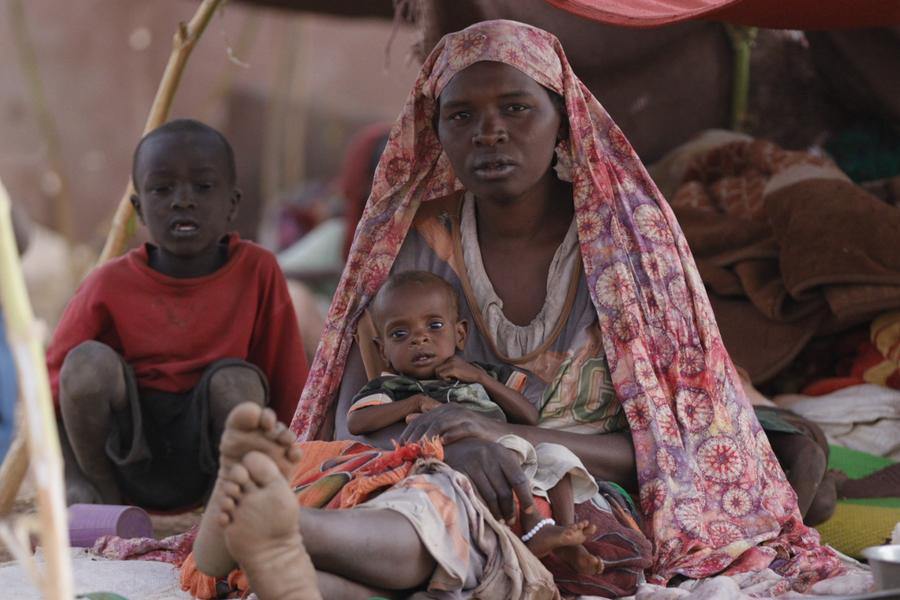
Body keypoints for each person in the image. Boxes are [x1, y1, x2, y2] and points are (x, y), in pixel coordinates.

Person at [188, 20, 851, 599]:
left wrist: (501, 441)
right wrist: (446, 445)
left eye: (516, 108)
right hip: (415, 467)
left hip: (577, 491)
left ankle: (286, 533)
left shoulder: (631, 247)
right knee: (428, 504)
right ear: (436, 132)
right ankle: (289, 553)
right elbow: (353, 421)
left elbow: (675, 452)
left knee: (475, 514)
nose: (490, 133)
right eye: (461, 116)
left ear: (563, 120)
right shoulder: (416, 243)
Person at [46, 119, 308, 510]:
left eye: (203, 187)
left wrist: (296, 467)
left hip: (220, 459)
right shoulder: (108, 283)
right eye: (162, 189)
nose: (182, 201)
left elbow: (288, 381)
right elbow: (52, 388)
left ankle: (227, 505)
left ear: (233, 204)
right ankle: (101, 497)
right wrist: (71, 475)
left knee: (236, 382)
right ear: (139, 209)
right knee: (85, 364)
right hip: (126, 457)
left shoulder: (257, 270)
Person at [347, 270, 602, 574]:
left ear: (460, 334)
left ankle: (568, 535)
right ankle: (535, 524)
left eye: (434, 326)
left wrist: (481, 378)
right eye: (400, 334)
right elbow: (357, 421)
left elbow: (530, 416)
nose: (419, 338)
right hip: (465, 463)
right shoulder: (391, 385)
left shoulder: (483, 374)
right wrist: (414, 403)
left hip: (515, 449)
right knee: (507, 453)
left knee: (558, 454)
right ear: (383, 351)